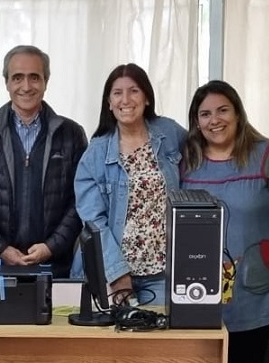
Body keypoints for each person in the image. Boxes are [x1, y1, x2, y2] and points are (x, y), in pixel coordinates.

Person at [180, 80, 269, 363]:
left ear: (238, 114)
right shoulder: (186, 160)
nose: (215, 120)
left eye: (223, 110)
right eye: (205, 114)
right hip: (196, 291)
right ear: (196, 122)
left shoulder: (268, 156)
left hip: (253, 289)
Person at [0, 45, 88, 279]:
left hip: (56, 266)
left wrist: (51, 246)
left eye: (35, 77)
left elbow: (80, 200)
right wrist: (1, 249)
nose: (26, 86)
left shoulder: (71, 134)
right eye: (17, 78)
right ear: (7, 83)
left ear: (46, 81)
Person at [73, 63, 187, 305]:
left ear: (147, 97)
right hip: (111, 273)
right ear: (109, 102)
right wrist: (118, 276)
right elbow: (94, 222)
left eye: (134, 91)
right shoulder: (95, 153)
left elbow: (206, 153)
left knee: (162, 329)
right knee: (118, 331)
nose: (125, 100)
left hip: (162, 273)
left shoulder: (170, 133)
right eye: (117, 93)